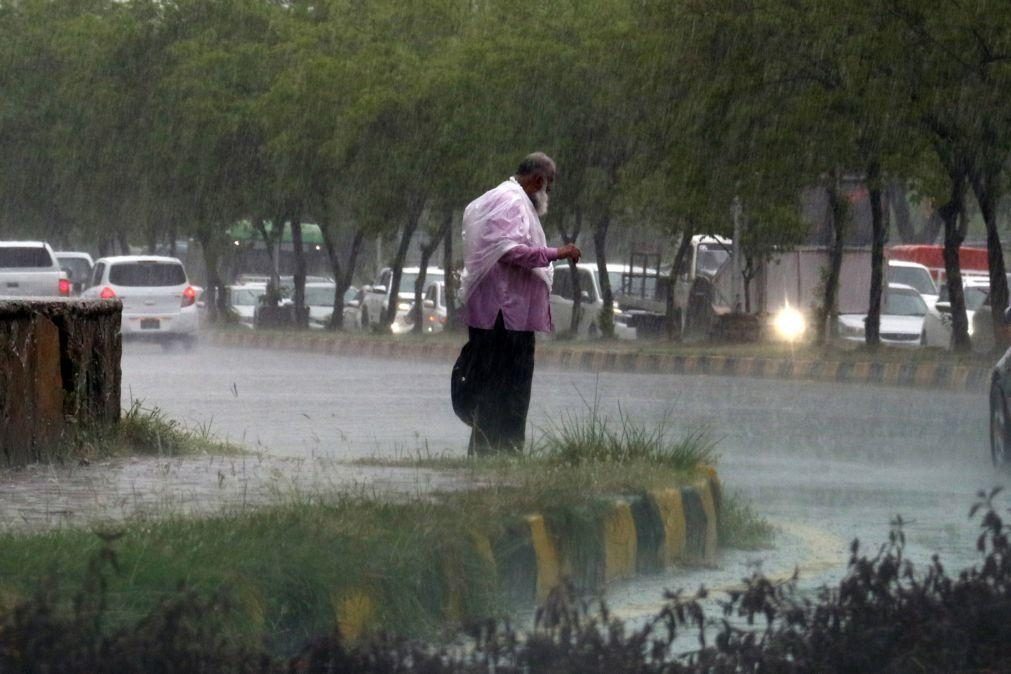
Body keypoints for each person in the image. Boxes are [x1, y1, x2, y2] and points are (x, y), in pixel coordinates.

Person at [453, 152, 581, 455]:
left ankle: (492, 453)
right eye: (548, 187)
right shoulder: (511, 203)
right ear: (538, 180)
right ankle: (503, 451)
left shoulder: (502, 199)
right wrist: (557, 253)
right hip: (506, 315)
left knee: (494, 388)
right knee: (508, 390)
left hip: (499, 315)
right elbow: (510, 250)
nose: (547, 194)